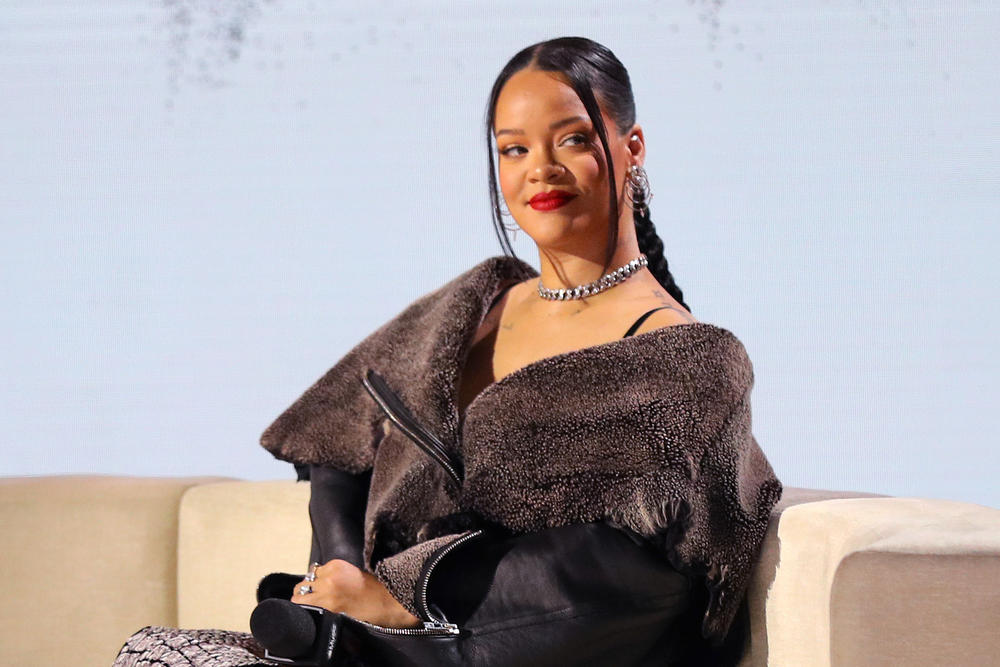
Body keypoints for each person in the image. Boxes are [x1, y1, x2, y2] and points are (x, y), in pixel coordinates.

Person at [114, 36, 782, 666]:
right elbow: (336, 440)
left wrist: (407, 600)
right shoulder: (474, 302)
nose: (539, 170)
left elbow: (646, 576)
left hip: (509, 645)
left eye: (572, 139)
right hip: (351, 637)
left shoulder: (687, 360)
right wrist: (342, 588)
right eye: (513, 149)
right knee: (150, 653)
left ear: (631, 146)